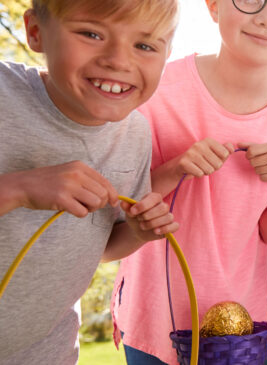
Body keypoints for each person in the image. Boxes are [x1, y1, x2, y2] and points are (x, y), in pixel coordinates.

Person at [110, 0, 267, 363]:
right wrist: (174, 169)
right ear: (213, 6)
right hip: (155, 309)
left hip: (242, 328)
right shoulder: (157, 91)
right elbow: (122, 207)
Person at [0, 0, 179, 363]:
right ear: (36, 31)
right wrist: (17, 188)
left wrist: (138, 232)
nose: (118, 60)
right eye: (91, 34)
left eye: (144, 45)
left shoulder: (135, 135)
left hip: (47, 353)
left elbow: (102, 246)